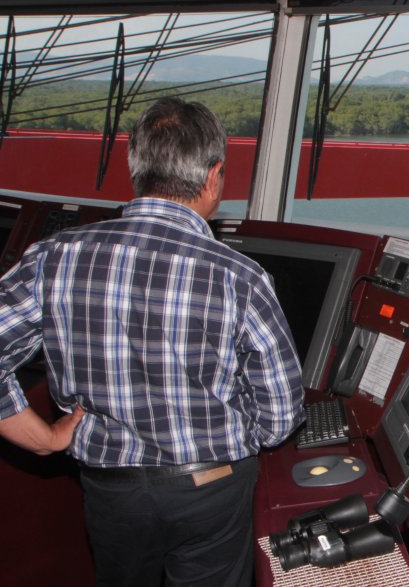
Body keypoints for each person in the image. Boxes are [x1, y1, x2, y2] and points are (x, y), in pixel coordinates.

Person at [0, 97, 305, 586]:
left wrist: (45, 441)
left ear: (135, 167)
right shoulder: (241, 277)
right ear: (213, 176)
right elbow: (279, 418)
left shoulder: (52, 258)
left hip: (111, 489)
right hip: (211, 486)